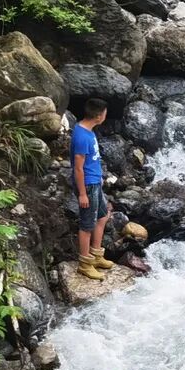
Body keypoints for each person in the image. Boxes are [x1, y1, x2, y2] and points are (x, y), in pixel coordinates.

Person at [71, 98, 113, 281]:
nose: (105, 116)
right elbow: (78, 168)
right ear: (98, 116)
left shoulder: (88, 131)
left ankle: (96, 255)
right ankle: (85, 264)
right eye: (104, 113)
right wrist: (82, 193)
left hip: (95, 181)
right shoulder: (81, 137)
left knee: (103, 216)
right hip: (87, 185)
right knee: (87, 225)